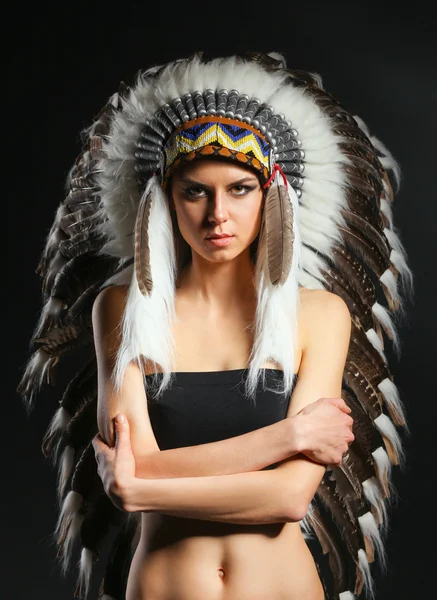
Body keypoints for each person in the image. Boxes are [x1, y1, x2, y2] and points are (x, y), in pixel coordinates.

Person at [18, 51, 413, 600]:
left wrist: (144, 487)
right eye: (195, 190)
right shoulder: (120, 311)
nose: (217, 215)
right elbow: (137, 474)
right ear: (165, 199)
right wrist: (288, 435)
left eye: (239, 189)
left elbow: (288, 498)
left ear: (271, 195)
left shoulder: (319, 315)